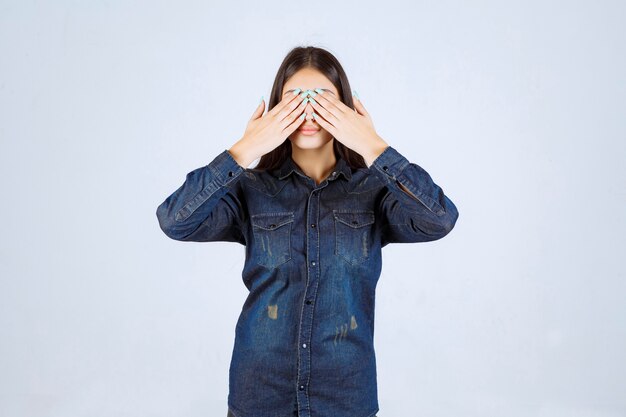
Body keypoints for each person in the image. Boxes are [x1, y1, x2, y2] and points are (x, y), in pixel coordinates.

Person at [156, 46, 459, 417]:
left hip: (345, 396)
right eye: (294, 100)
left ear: (346, 110)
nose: (308, 112)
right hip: (260, 394)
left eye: (324, 100)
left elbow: (440, 218)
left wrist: (372, 146)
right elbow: (174, 220)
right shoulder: (251, 188)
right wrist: (246, 148)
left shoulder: (374, 190)